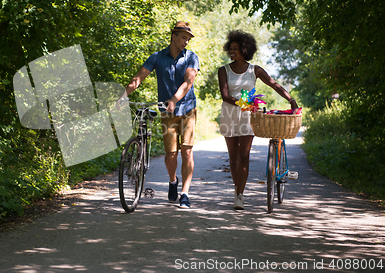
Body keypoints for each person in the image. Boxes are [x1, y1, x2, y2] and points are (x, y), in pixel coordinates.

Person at [218, 30, 298, 210]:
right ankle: (236, 188)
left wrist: (290, 99)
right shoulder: (223, 70)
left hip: (248, 116)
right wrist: (241, 103)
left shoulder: (255, 70)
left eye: (235, 49)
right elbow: (224, 96)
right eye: (230, 48)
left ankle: (239, 194)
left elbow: (273, 84)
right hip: (230, 114)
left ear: (244, 50)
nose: (232, 52)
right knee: (233, 158)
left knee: (244, 156)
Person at [123, 21, 200, 208]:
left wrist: (174, 99)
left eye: (188, 38)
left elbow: (188, 82)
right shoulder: (157, 57)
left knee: (187, 151)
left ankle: (185, 194)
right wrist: (122, 95)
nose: (186, 41)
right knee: (170, 155)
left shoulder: (191, 57)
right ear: (173, 36)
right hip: (167, 112)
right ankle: (173, 180)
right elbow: (139, 77)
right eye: (183, 37)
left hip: (187, 109)